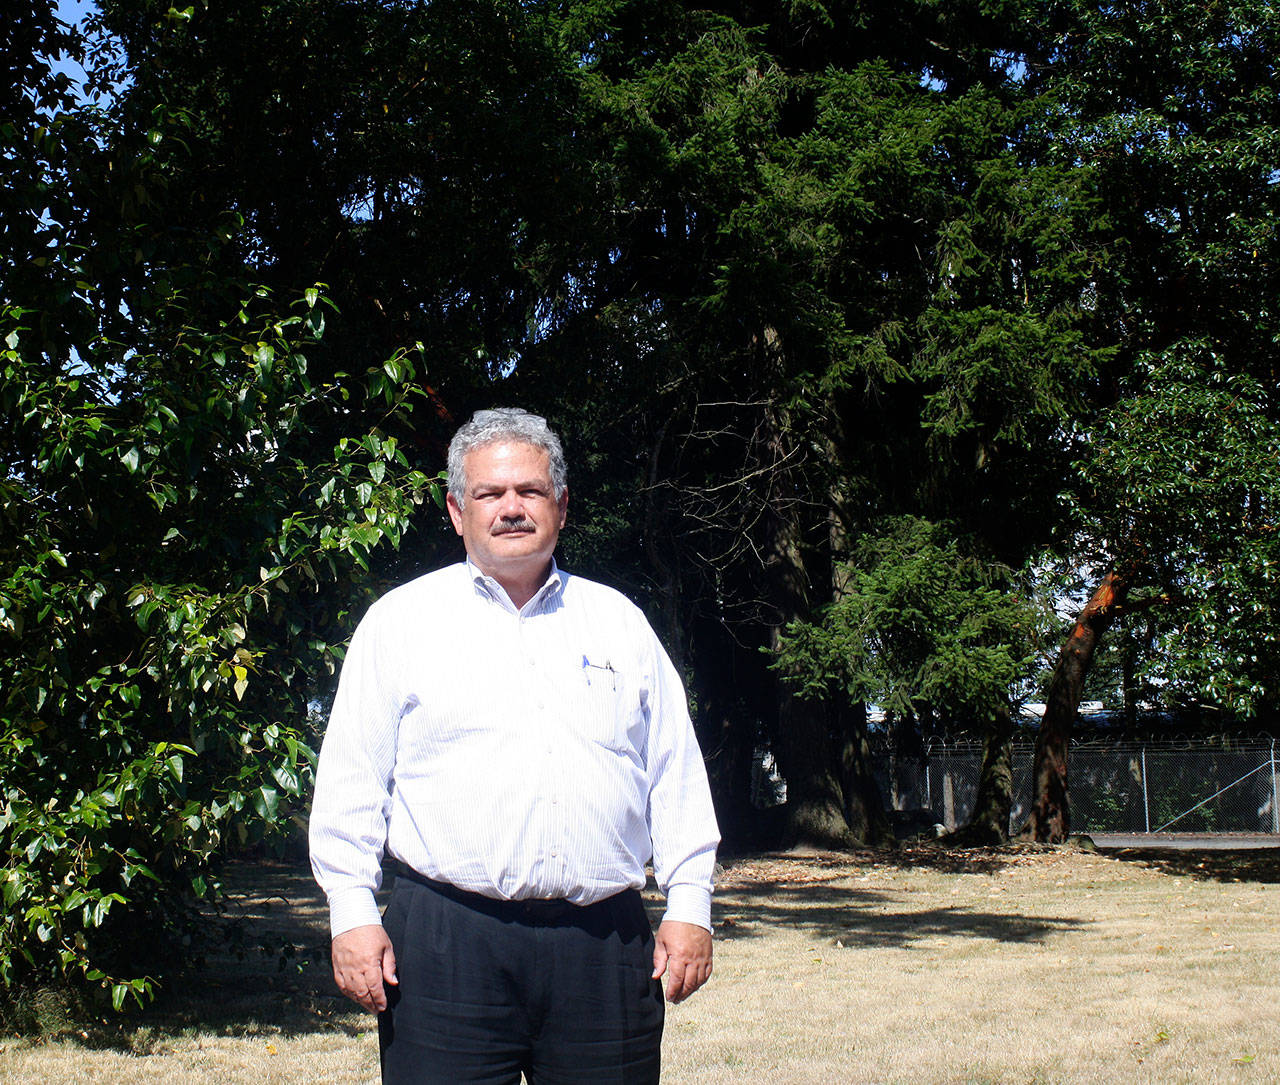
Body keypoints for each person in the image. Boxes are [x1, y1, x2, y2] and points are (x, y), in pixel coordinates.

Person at [309, 408, 720, 1084]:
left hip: (604, 948)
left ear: (560, 504)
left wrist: (690, 905)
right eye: (489, 493)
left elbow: (674, 773)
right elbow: (352, 783)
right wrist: (350, 913)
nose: (510, 508)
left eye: (528, 491)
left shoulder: (619, 624)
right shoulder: (400, 624)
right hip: (446, 947)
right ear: (455, 509)